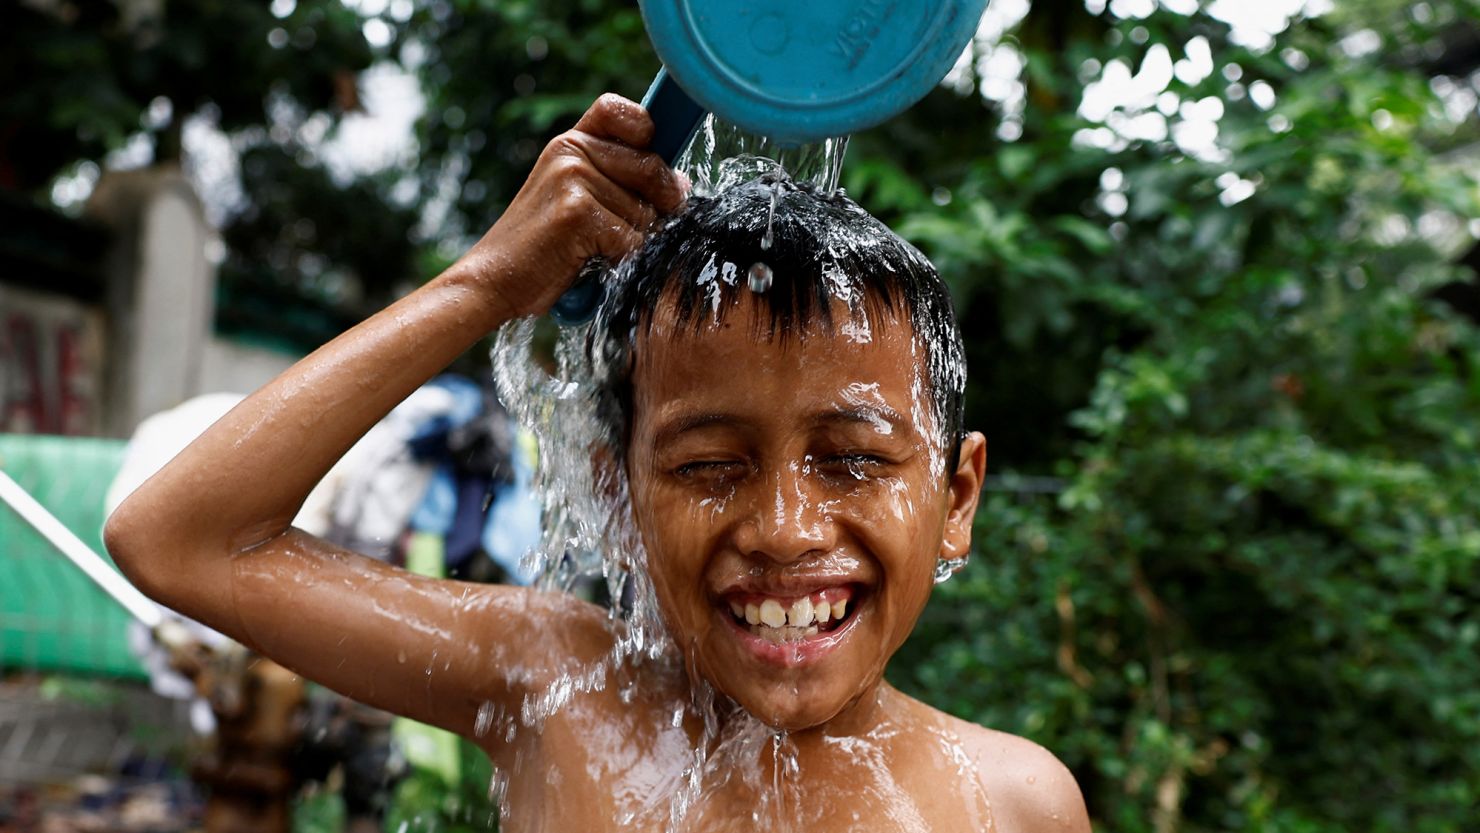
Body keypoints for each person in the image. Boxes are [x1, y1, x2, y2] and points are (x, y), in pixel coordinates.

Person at [105, 93, 1091, 832]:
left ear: (955, 494)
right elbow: (181, 537)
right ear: (615, 492)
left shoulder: (1010, 800)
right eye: (709, 464)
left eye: (851, 459)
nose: (785, 526)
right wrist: (486, 281)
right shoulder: (561, 687)